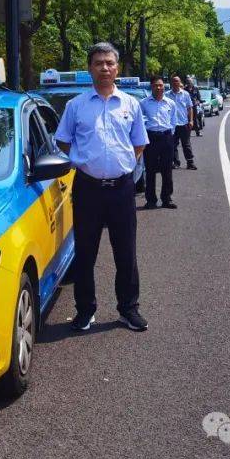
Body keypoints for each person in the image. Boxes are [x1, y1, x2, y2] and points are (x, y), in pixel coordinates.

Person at [55, 42, 149, 332]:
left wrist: (122, 168)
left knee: (126, 252)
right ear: (90, 68)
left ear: (117, 68)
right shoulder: (76, 106)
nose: (105, 68)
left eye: (109, 63)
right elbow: (63, 140)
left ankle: (128, 309)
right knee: (85, 253)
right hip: (87, 189)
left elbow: (139, 143)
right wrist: (83, 162)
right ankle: (85, 310)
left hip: (121, 189)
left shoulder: (130, 104)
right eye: (99, 63)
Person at [139, 76, 177, 209]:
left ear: (164, 86)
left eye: (161, 85)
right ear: (151, 87)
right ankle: (151, 200)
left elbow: (173, 121)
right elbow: (140, 122)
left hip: (166, 138)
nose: (159, 88)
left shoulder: (170, 103)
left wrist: (169, 134)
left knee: (167, 170)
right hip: (151, 138)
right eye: (156, 85)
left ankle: (167, 199)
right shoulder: (143, 103)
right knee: (150, 170)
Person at [167, 74, 196, 170]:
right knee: (173, 145)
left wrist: (191, 120)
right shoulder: (167, 95)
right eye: (174, 81)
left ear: (180, 83)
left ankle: (190, 162)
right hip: (172, 125)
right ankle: (176, 163)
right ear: (171, 83)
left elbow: (189, 108)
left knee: (186, 144)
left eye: (177, 81)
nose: (175, 83)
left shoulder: (185, 94)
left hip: (184, 123)